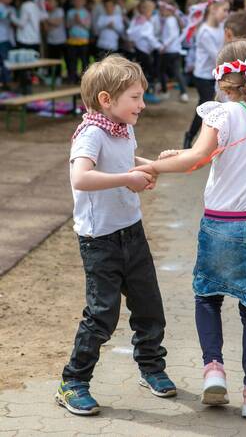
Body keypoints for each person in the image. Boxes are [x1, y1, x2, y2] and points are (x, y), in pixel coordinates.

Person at [135, 40, 246, 419]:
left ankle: (213, 369)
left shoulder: (221, 116)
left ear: (223, 81)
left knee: (208, 297)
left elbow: (197, 159)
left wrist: (156, 165)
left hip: (219, 224)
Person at [55, 55, 176, 416]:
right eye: (136, 97)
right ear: (106, 100)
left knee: (150, 307)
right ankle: (72, 382)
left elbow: (126, 163)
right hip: (100, 241)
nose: (142, 104)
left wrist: (151, 165)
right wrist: (126, 179)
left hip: (132, 234)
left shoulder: (122, 128)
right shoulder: (91, 133)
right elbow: (80, 178)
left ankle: (151, 368)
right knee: (102, 315)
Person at [183, 0, 229, 148]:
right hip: (203, 75)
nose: (226, 14)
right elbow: (217, 55)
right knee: (208, 105)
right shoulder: (204, 31)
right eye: (224, 10)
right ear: (213, 10)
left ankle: (199, 138)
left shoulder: (221, 27)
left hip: (215, 74)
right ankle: (192, 137)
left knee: (211, 106)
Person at [126, 0, 161, 103]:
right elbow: (149, 37)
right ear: (146, 11)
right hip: (143, 51)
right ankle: (146, 94)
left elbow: (130, 33)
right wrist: (159, 46)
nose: (152, 14)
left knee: (141, 72)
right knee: (147, 73)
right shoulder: (145, 23)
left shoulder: (137, 19)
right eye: (151, 11)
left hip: (138, 49)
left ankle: (140, 94)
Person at [158, 0, 188, 103]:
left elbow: (172, 35)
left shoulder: (169, 20)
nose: (162, 11)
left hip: (168, 51)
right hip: (175, 50)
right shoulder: (173, 20)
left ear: (169, 11)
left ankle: (165, 92)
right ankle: (184, 93)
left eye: (165, 9)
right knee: (177, 72)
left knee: (161, 71)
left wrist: (164, 46)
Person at [66, 0, 91, 84]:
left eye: (80, 0)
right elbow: (67, 25)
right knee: (72, 61)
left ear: (83, 2)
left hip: (83, 41)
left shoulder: (86, 12)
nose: (78, 2)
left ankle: (85, 80)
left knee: (84, 61)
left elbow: (88, 26)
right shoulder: (70, 12)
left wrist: (80, 21)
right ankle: (72, 78)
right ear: (73, 2)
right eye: (76, 1)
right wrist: (74, 21)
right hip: (72, 40)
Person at [44, 0, 67, 82]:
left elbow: (58, 23)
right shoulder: (46, 13)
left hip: (60, 40)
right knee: (50, 60)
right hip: (50, 40)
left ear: (56, 2)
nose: (49, 2)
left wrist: (47, 20)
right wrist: (51, 22)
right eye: (48, 0)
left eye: (51, 0)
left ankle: (58, 77)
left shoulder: (59, 10)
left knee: (58, 60)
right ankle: (51, 77)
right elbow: (46, 28)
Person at [0, 0, 15, 88]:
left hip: (6, 38)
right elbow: (2, 16)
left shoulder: (7, 8)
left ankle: (6, 82)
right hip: (1, 39)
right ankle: (6, 82)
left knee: (6, 61)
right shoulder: (2, 7)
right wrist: (9, 13)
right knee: (4, 61)